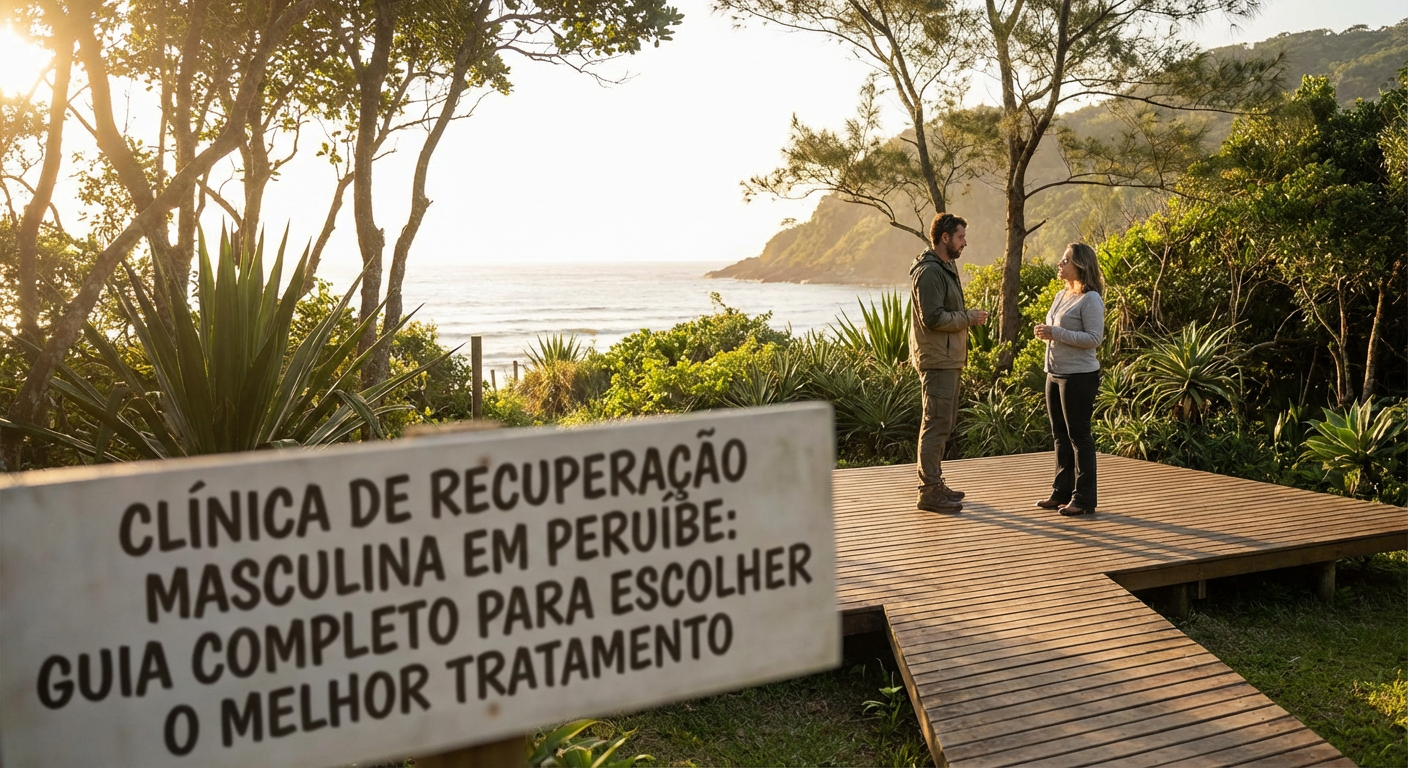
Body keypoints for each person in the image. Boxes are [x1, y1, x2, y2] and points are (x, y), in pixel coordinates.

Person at [909, 213, 989, 514]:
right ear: (945, 238)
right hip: (937, 360)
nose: (964, 242)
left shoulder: (944, 267)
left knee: (942, 423)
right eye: (960, 237)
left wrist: (966, 318)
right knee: (935, 424)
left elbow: (943, 312)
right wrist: (968, 318)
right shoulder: (929, 272)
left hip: (947, 358)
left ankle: (935, 483)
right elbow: (932, 317)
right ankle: (928, 491)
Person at [1034, 242, 1106, 516]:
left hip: (1079, 376)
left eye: (1066, 261)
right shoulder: (1061, 295)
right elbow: (1057, 330)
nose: (1060, 264)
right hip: (1054, 373)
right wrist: (1047, 333)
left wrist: (1056, 333)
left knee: (1079, 437)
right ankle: (1060, 492)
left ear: (1081, 266)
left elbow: (1094, 339)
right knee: (1059, 436)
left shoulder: (1091, 299)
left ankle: (1084, 499)